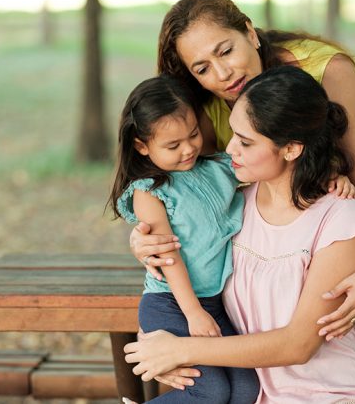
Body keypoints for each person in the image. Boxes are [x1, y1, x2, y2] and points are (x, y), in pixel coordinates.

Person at [129, 0, 355, 404]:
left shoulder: (327, 69)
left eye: (226, 51)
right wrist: (146, 238)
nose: (223, 74)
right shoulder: (206, 106)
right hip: (273, 222)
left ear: (250, 31)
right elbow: (185, 194)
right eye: (202, 68)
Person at [125, 65, 355, 404]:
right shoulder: (233, 208)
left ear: (292, 149)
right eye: (233, 133)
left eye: (246, 142)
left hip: (328, 395)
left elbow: (299, 344)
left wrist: (178, 350)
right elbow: (181, 281)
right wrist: (157, 347)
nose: (230, 148)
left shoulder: (340, 218)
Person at [108, 74, 261, 403]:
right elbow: (168, 254)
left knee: (248, 389)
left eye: (192, 135)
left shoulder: (220, 169)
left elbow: (270, 170)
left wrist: (331, 177)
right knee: (211, 391)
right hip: (170, 304)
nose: (189, 148)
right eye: (172, 145)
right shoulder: (149, 192)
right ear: (142, 146)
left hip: (215, 304)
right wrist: (192, 312)